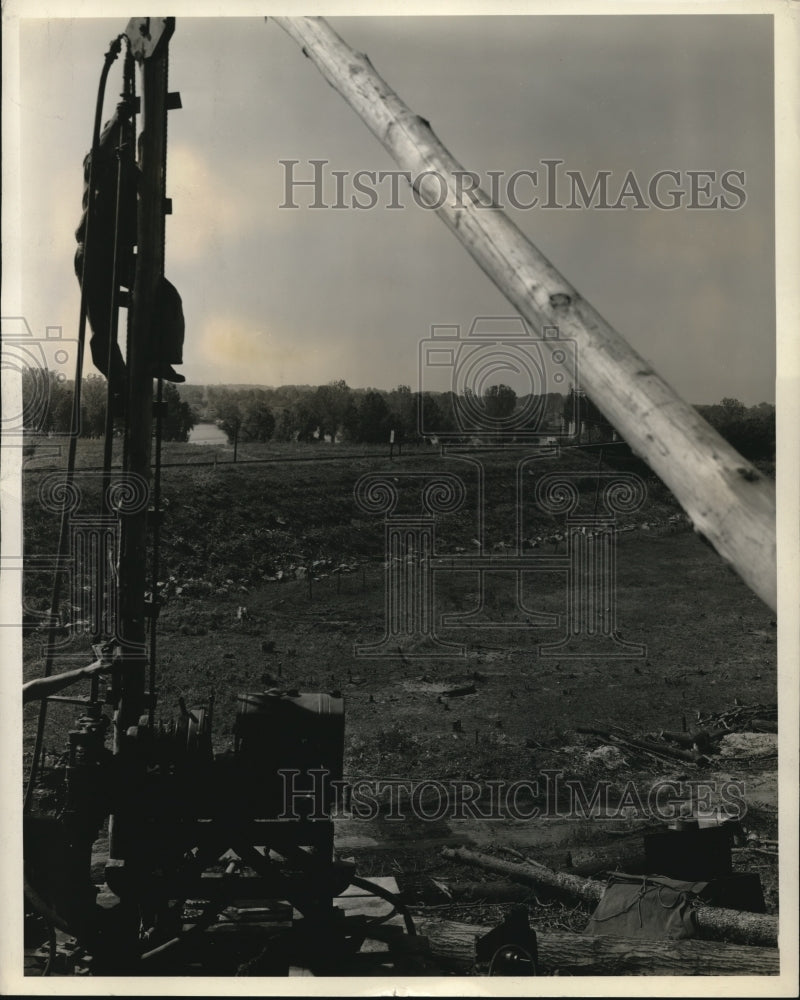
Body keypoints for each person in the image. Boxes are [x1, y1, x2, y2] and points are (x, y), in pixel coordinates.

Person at [74, 100, 185, 415]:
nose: (121, 144)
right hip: (94, 257)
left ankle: (159, 358)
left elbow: (149, 196)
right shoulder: (98, 166)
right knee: (104, 333)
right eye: (118, 138)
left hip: (120, 258)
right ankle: (122, 388)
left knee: (166, 295)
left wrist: (134, 169)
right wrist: (118, 118)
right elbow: (100, 151)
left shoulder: (132, 175)